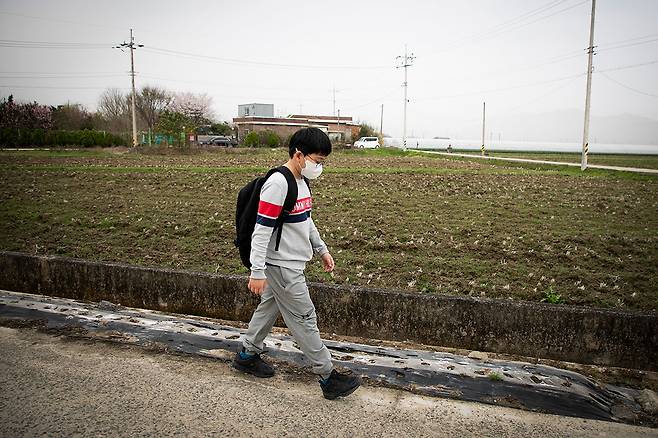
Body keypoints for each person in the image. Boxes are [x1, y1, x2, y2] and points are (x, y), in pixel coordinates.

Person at [232, 127, 361, 400]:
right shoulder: (278, 184)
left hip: (290, 261)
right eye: (318, 160)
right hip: (281, 265)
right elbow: (261, 230)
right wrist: (256, 271)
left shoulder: (301, 180)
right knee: (305, 318)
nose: (320, 166)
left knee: (269, 307)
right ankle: (328, 377)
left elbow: (306, 219)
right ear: (299, 155)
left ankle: (246, 354)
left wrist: (321, 248)